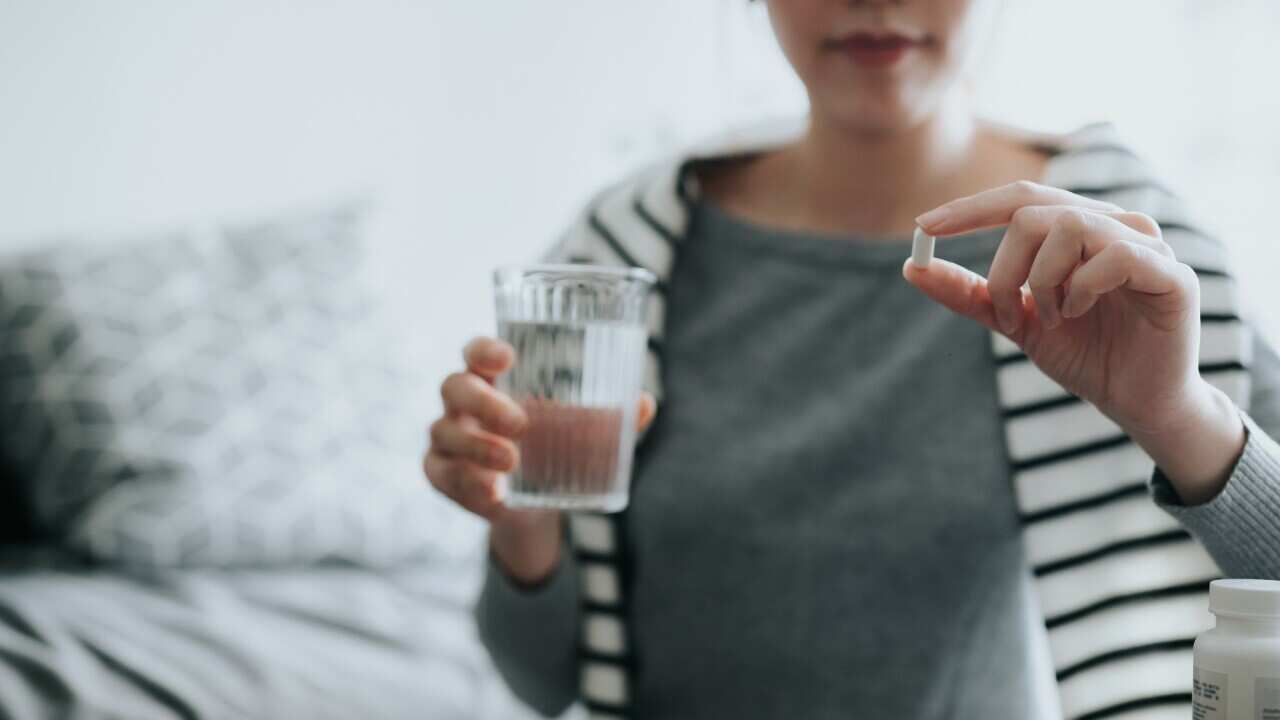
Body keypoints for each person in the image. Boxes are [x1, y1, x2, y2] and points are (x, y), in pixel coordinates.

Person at [424, 1, 1280, 718]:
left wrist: (1175, 416)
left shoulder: (1129, 258)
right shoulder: (622, 254)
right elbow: (542, 686)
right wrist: (521, 521)